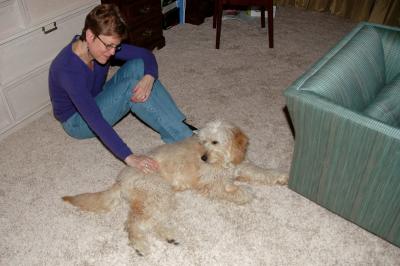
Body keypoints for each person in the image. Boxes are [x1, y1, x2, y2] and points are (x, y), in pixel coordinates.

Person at [49, 4, 196, 174]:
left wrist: (149, 76)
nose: (112, 53)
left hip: (97, 95)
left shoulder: (99, 45)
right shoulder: (67, 69)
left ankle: (178, 125)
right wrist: (129, 157)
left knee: (138, 66)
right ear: (90, 35)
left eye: (116, 47)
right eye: (109, 46)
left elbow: (145, 55)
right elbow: (94, 119)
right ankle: (186, 139)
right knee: (130, 87)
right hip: (77, 121)